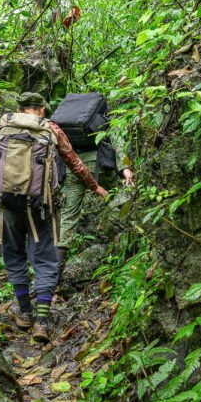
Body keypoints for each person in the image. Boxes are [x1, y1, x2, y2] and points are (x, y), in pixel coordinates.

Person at [0, 92, 108, 343]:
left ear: (21, 108)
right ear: (42, 110)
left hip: (5, 205)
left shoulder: (2, 126)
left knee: (13, 255)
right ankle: (42, 322)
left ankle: (25, 312)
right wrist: (95, 187)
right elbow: (74, 162)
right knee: (45, 259)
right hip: (39, 207)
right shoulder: (50, 129)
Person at [55, 111, 134, 277]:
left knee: (67, 219)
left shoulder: (65, 122)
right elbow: (118, 144)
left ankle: (53, 277)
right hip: (98, 166)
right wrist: (124, 169)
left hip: (71, 169)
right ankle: (129, 236)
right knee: (121, 195)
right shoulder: (105, 120)